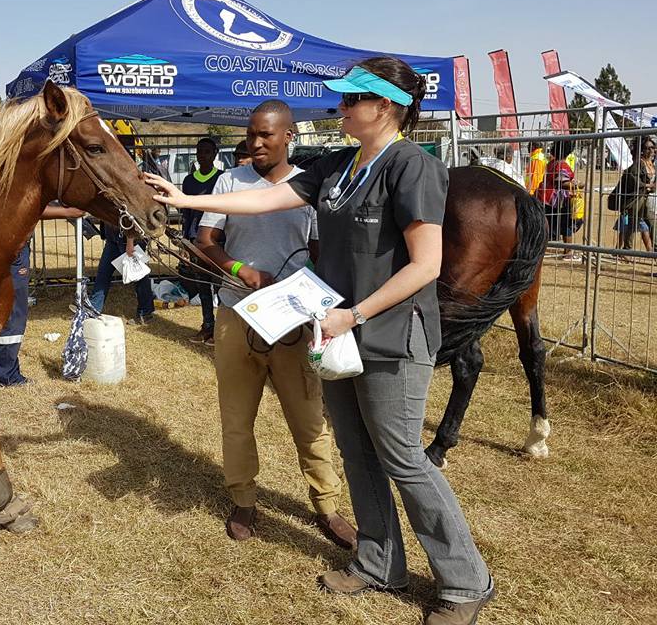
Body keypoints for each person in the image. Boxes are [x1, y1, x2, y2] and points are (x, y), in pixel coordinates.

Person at [146, 58, 494, 625]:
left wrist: (353, 313)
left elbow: (426, 265)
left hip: (388, 336)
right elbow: (265, 199)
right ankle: (380, 563)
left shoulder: (411, 166)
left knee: (403, 459)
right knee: (357, 454)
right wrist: (182, 202)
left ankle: (465, 581)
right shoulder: (339, 164)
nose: (340, 108)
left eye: (352, 100)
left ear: (385, 107)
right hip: (336, 336)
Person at [189, 99, 356, 550]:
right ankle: (243, 499)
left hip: (293, 325)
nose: (256, 142)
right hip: (236, 315)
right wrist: (238, 267)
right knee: (236, 419)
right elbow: (205, 240)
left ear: (289, 137)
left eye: (266, 134)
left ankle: (327, 505)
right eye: (251, 134)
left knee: (309, 419)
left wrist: (315, 297)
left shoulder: (309, 188)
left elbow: (321, 252)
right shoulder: (229, 180)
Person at [0, 204, 85, 387]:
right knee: (14, 313)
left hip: (11, 244)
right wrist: (66, 212)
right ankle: (6, 375)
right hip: (13, 246)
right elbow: (26, 206)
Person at [179, 138, 220, 345]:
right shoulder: (188, 181)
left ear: (215, 154)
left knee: (220, 286)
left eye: (207, 151)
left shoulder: (222, 179)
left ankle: (221, 329)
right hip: (196, 240)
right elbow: (185, 214)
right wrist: (185, 242)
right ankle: (207, 326)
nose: (202, 155)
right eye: (199, 151)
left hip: (218, 241)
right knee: (203, 285)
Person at [88, 221, 155, 325]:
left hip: (130, 239)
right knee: (103, 274)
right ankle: (92, 310)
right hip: (113, 238)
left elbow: (130, 215)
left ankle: (145, 313)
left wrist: (130, 241)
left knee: (139, 276)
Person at [536, 141, 579, 260]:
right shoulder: (562, 165)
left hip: (544, 197)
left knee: (546, 225)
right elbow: (560, 182)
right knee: (567, 225)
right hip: (555, 201)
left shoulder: (552, 163)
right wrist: (577, 185)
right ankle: (568, 252)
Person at [615, 137, 656, 252]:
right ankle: (624, 250)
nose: (651, 150)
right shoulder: (639, 164)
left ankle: (649, 251)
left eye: (652, 147)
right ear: (642, 149)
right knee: (630, 225)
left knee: (643, 226)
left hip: (649, 200)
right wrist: (649, 186)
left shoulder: (651, 164)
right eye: (647, 148)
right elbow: (634, 181)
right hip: (636, 200)